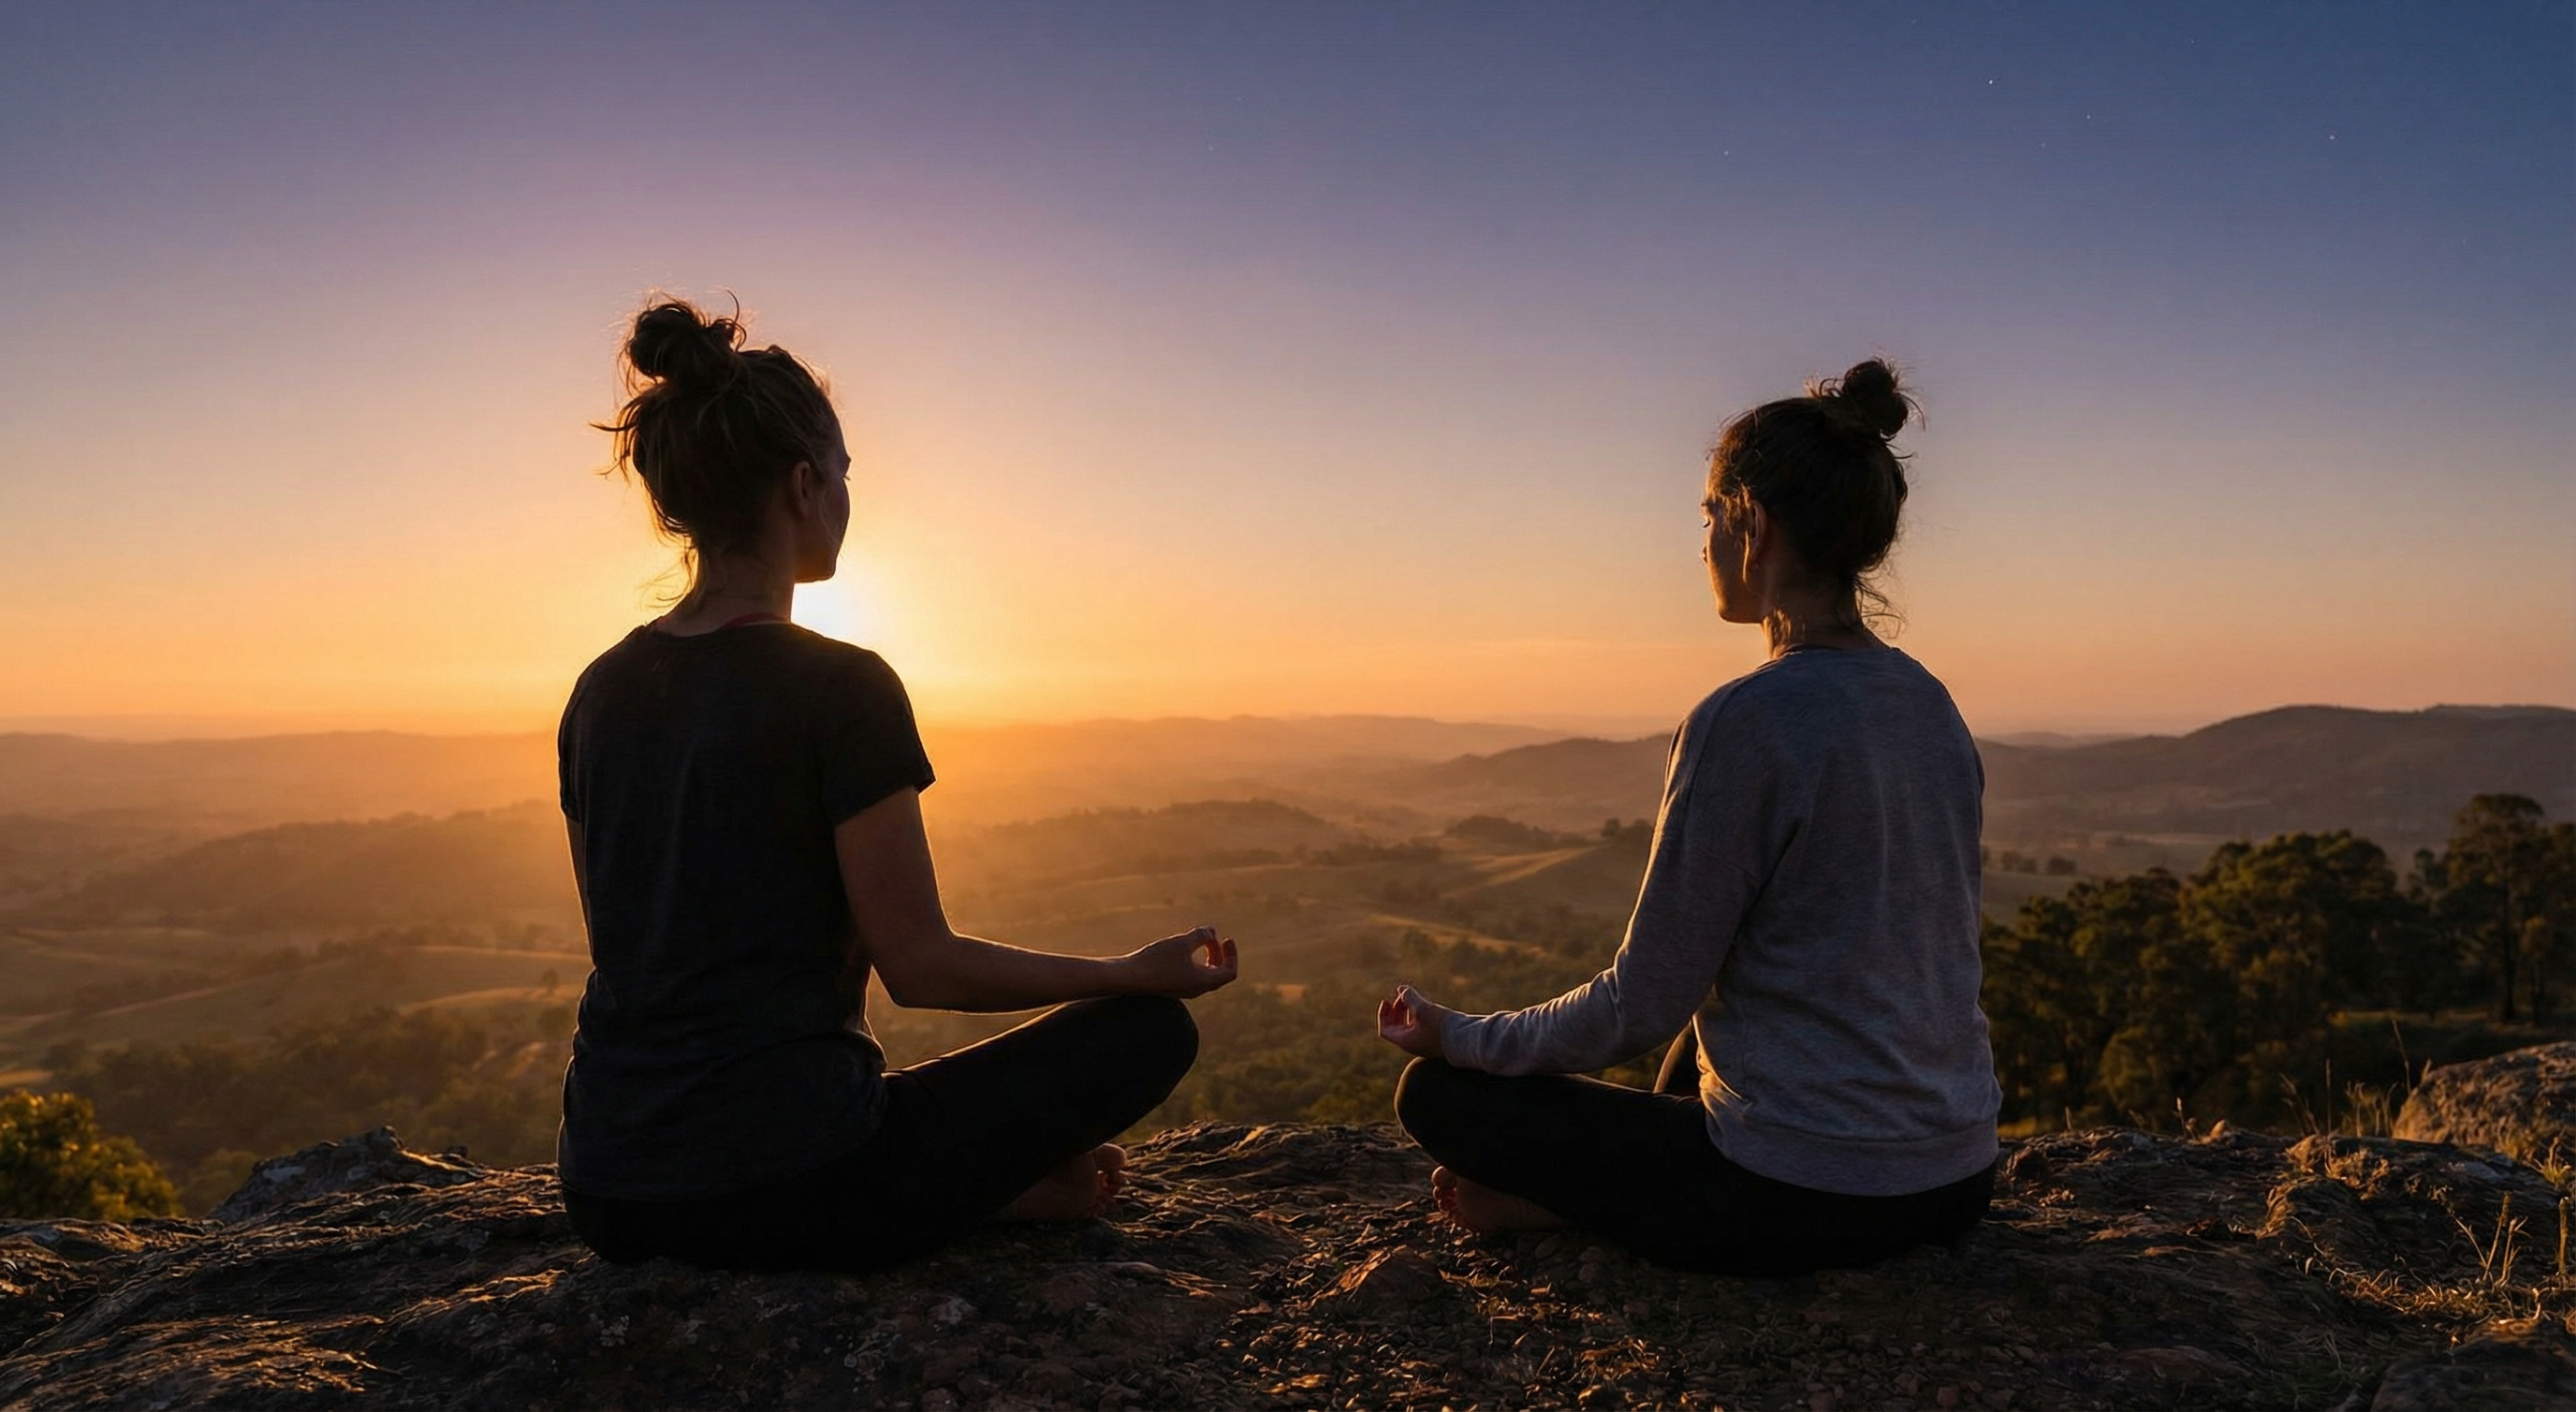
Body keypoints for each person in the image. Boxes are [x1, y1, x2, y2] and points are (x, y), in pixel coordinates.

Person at [555, 298, 1237, 1272]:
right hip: (799, 1177)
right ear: (801, 486)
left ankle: (973, 1193)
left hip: (610, 1191)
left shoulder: (600, 690)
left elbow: (626, 946)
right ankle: (983, 1200)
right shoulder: (842, 687)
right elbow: (923, 969)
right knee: (1145, 1034)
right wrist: (1132, 971)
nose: (843, 497)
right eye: (841, 476)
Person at [1375, 360, 1999, 1274]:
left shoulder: (1745, 720)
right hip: (1954, 1177)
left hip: (1807, 1195)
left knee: (1436, 1096)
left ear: (1752, 523)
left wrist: (1459, 1036)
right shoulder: (1928, 703)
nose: (1700, 541)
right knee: (1694, 1052)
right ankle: (1582, 1198)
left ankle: (1559, 1206)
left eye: (1707, 516)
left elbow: (1637, 1001)